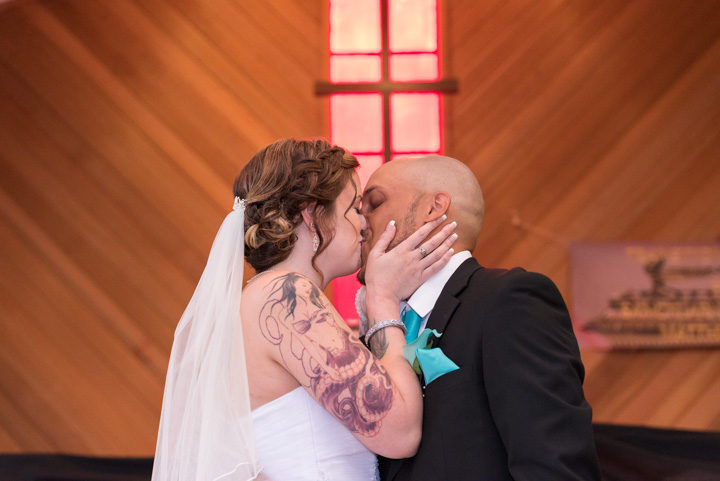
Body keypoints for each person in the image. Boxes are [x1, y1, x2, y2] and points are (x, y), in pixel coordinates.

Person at [151, 139, 457, 481]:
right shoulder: (285, 297)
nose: (364, 223)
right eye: (354, 208)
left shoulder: (265, 298)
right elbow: (399, 433)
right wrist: (384, 298)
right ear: (312, 215)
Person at [357, 155, 602, 481]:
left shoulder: (509, 301)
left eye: (374, 203)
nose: (361, 222)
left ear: (434, 207)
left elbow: (555, 466)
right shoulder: (383, 325)